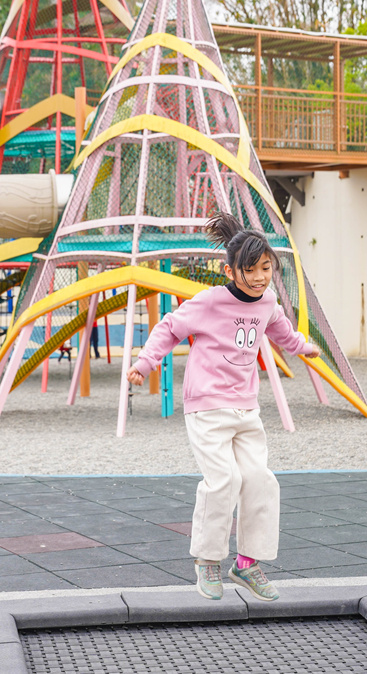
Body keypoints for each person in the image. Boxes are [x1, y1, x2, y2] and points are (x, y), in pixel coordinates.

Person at [126, 212, 321, 602]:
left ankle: (247, 563)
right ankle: (208, 560)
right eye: (251, 270)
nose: (261, 277)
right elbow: (169, 328)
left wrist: (303, 347)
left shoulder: (266, 302)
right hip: (207, 407)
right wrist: (145, 362)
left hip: (245, 408)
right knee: (224, 481)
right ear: (230, 270)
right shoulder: (211, 301)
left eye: (266, 268)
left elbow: (282, 329)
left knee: (260, 480)